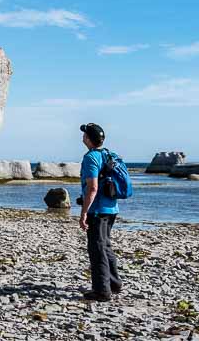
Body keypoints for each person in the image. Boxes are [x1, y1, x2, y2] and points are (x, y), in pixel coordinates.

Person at [78, 123, 122, 302]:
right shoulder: (110, 154)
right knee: (105, 246)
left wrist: (83, 213)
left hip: (97, 210)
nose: (82, 137)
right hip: (112, 208)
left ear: (88, 139)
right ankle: (114, 283)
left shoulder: (91, 158)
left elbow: (93, 187)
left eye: (84, 135)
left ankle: (102, 291)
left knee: (97, 250)